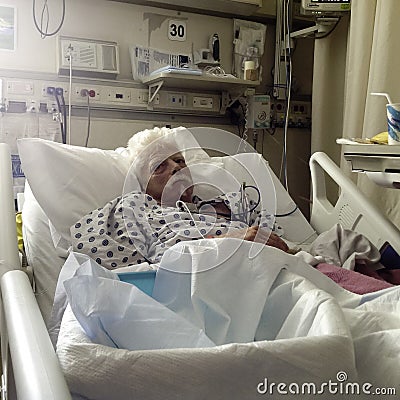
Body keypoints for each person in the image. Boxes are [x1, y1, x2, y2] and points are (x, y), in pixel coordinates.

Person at [71, 127, 289, 269]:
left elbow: (280, 239)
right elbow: (166, 259)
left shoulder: (230, 202)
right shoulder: (136, 209)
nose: (176, 167)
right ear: (142, 183)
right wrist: (229, 240)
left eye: (179, 161)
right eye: (159, 166)